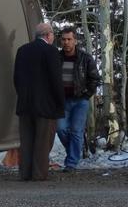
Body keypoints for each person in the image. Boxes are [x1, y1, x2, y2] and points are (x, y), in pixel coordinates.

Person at [13, 22, 65, 181]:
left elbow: (16, 78)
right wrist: (60, 102)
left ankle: (25, 173)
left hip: (25, 104)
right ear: (49, 35)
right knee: (42, 141)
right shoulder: (51, 51)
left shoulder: (22, 51)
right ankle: (39, 174)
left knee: (27, 140)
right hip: (46, 105)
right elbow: (56, 79)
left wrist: (22, 95)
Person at [56, 27, 100, 171]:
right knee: (61, 129)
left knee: (76, 130)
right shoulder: (56, 58)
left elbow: (94, 78)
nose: (66, 42)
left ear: (75, 41)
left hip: (80, 101)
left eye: (69, 39)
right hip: (62, 100)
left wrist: (86, 95)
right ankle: (74, 152)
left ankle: (71, 163)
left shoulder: (85, 58)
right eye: (63, 39)